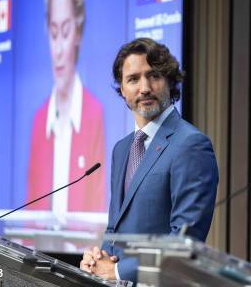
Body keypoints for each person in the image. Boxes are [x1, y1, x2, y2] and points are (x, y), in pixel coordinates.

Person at [79, 38, 219, 282]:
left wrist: (118, 272)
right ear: (122, 89)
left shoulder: (191, 144)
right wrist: (98, 260)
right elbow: (115, 229)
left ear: (169, 81)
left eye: (153, 76)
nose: (144, 88)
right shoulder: (121, 149)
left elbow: (185, 242)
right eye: (133, 79)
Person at [27, 0, 106, 213]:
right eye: (53, 33)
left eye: (66, 31)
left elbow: (98, 217)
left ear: (79, 32)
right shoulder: (39, 121)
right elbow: (28, 220)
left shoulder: (94, 113)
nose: (58, 49)